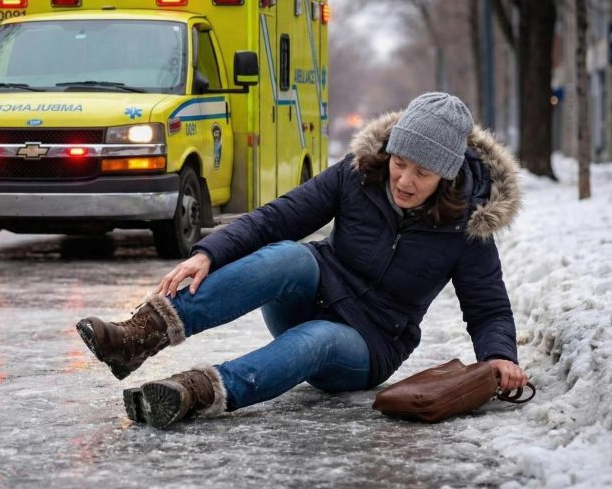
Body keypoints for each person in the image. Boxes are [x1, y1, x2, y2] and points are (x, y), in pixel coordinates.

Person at [76, 92, 528, 429]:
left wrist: (499, 356)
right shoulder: (357, 175)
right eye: (400, 163)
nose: (404, 180)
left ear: (446, 176)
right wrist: (209, 253)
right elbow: (278, 218)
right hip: (316, 290)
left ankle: (193, 392)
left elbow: (487, 307)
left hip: (368, 342)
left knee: (316, 339)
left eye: (422, 173)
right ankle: (138, 337)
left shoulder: (467, 226)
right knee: (291, 254)